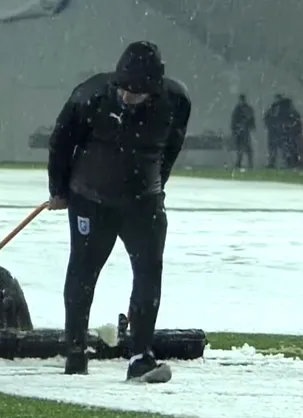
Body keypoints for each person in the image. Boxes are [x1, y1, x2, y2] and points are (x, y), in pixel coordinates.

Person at [46, 41, 192, 383]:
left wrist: (157, 185)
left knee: (148, 272)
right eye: (123, 89)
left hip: (144, 202)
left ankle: (141, 356)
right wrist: (58, 189)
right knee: (83, 270)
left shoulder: (177, 101)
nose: (128, 97)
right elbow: (61, 142)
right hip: (90, 199)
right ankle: (75, 352)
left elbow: (171, 147)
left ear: (154, 90)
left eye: (137, 93)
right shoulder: (91, 95)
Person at [230, 94, 256, 169]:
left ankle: (243, 162)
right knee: (242, 147)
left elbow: (235, 119)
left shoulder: (240, 108)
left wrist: (235, 128)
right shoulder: (241, 108)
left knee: (244, 147)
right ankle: (242, 162)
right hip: (242, 130)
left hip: (243, 130)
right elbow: (250, 119)